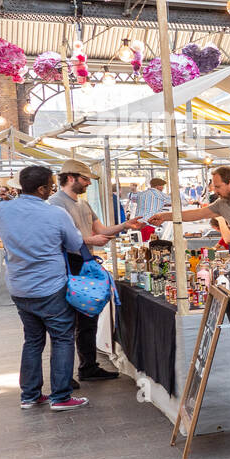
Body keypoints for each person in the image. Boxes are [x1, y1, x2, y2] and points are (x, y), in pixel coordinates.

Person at [0, 165, 95, 411]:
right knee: (62, 338)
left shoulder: (1, 209)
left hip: (19, 286)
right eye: (51, 185)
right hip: (51, 286)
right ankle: (61, 396)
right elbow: (76, 244)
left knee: (32, 340)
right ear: (42, 188)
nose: (52, 189)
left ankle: (30, 396)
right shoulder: (55, 213)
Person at [50, 160, 136, 382]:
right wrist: (91, 240)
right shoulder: (55, 204)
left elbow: (102, 230)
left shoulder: (83, 204)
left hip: (86, 263)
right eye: (85, 179)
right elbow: (61, 240)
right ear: (71, 178)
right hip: (68, 264)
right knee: (66, 322)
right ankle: (64, 376)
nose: (88, 183)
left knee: (88, 316)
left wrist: (126, 225)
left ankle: (88, 366)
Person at [134, 177, 171, 241]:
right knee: (151, 246)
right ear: (157, 186)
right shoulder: (159, 194)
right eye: (162, 186)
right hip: (149, 224)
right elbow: (174, 201)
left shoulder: (141, 194)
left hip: (138, 223)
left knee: (141, 246)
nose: (163, 188)